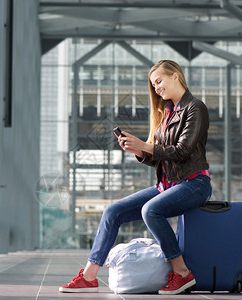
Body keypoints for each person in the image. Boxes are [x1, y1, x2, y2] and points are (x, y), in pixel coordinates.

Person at [59, 60, 212, 295]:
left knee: (150, 210)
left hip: (195, 183)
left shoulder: (195, 108)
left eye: (159, 81)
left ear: (175, 76)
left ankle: (182, 273)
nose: (156, 88)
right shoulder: (167, 113)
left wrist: (146, 146)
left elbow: (183, 151)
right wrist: (139, 150)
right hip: (167, 185)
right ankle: (89, 276)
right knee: (113, 211)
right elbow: (160, 158)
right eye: (153, 85)